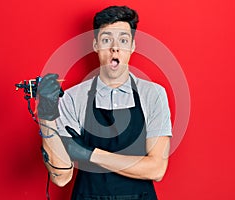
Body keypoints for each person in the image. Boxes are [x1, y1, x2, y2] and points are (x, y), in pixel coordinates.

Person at [37, 5, 172, 200]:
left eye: (123, 40)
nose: (114, 47)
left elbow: (156, 169)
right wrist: (46, 115)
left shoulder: (153, 94)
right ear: (95, 45)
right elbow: (61, 178)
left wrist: (89, 154)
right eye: (106, 39)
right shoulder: (73, 98)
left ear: (132, 46)